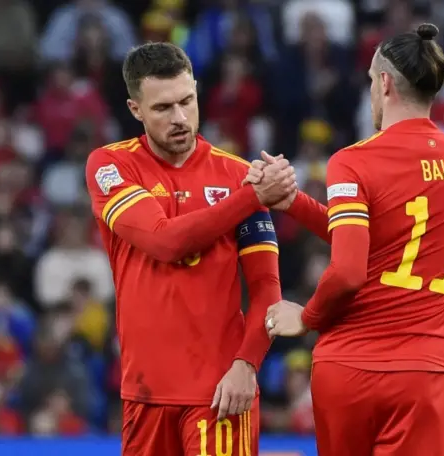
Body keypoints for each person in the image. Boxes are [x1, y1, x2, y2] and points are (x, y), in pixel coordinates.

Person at [246, 23, 444, 456]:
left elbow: (350, 268)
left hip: (349, 368)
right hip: (424, 370)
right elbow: (382, 240)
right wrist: (294, 202)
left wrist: (308, 318)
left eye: (372, 81)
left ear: (386, 83)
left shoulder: (353, 162)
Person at [85, 42, 296, 456]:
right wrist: (251, 197)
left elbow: (267, 287)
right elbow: (165, 241)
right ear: (135, 110)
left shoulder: (238, 175)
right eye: (163, 108)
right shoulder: (110, 166)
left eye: (187, 101)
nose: (180, 118)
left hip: (221, 392)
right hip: (144, 391)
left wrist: (247, 364)